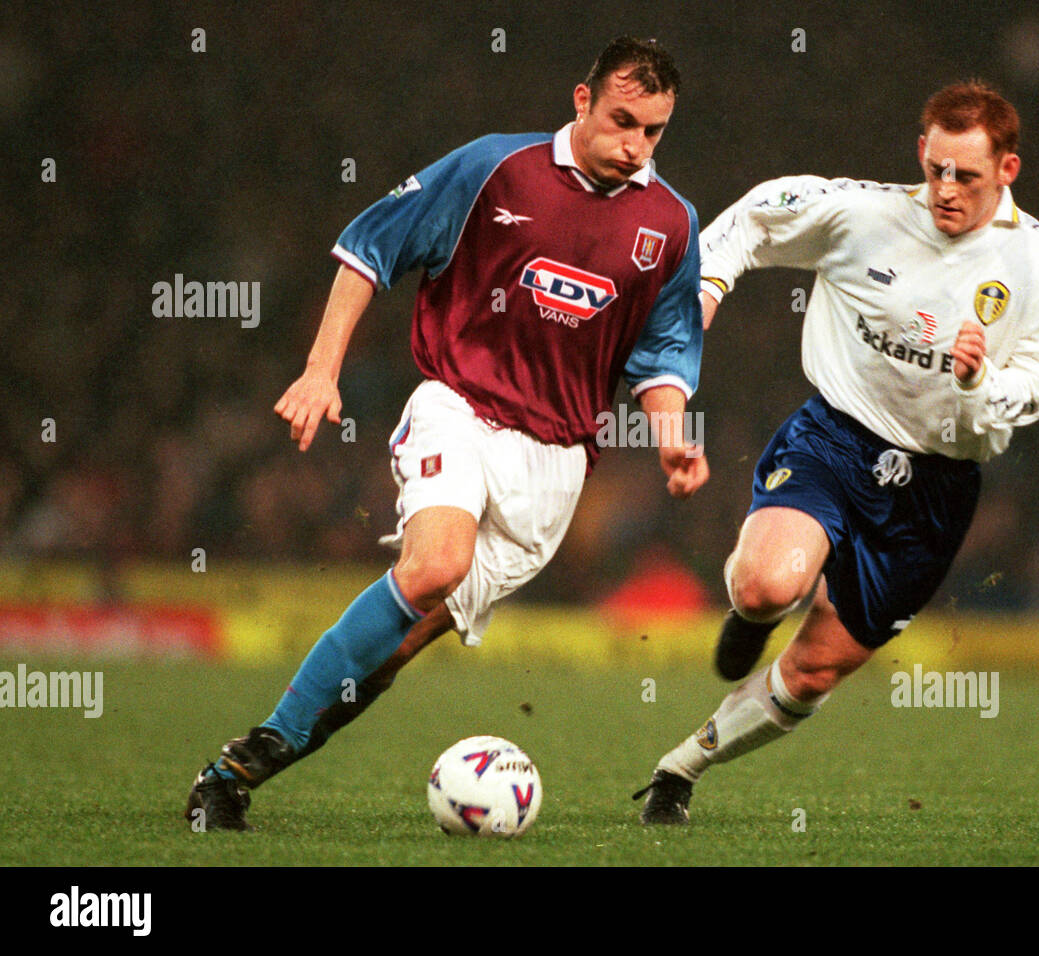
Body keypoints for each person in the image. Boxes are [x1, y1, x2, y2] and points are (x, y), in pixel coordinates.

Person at [186, 35, 709, 832]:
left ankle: (241, 768)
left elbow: (666, 350)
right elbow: (368, 248)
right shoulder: (493, 170)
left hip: (556, 464)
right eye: (622, 120)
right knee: (434, 565)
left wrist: (671, 433)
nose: (634, 146)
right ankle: (245, 759)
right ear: (582, 99)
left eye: (653, 132)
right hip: (459, 406)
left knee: (391, 653)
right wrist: (322, 370)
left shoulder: (669, 223)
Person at [634, 81, 1039, 824]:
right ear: (920, 153)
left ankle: (682, 767)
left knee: (810, 674)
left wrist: (981, 379)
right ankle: (749, 612)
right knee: (768, 586)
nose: (944, 189)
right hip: (835, 442)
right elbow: (752, 220)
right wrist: (704, 289)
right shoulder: (864, 214)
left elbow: (1038, 391)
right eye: (935, 167)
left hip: (935, 491)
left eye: (966, 175)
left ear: (1008, 171)